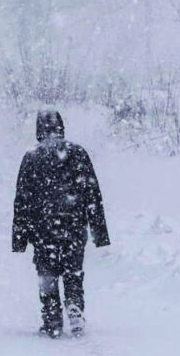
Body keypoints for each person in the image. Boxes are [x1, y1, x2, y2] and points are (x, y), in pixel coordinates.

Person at [12, 110, 110, 337]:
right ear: (61, 127)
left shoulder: (32, 156)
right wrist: (99, 232)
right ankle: (74, 305)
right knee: (73, 270)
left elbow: (22, 199)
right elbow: (93, 194)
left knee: (47, 272)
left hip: (43, 227)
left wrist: (20, 237)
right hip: (74, 224)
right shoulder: (78, 153)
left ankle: (52, 318)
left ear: (39, 129)